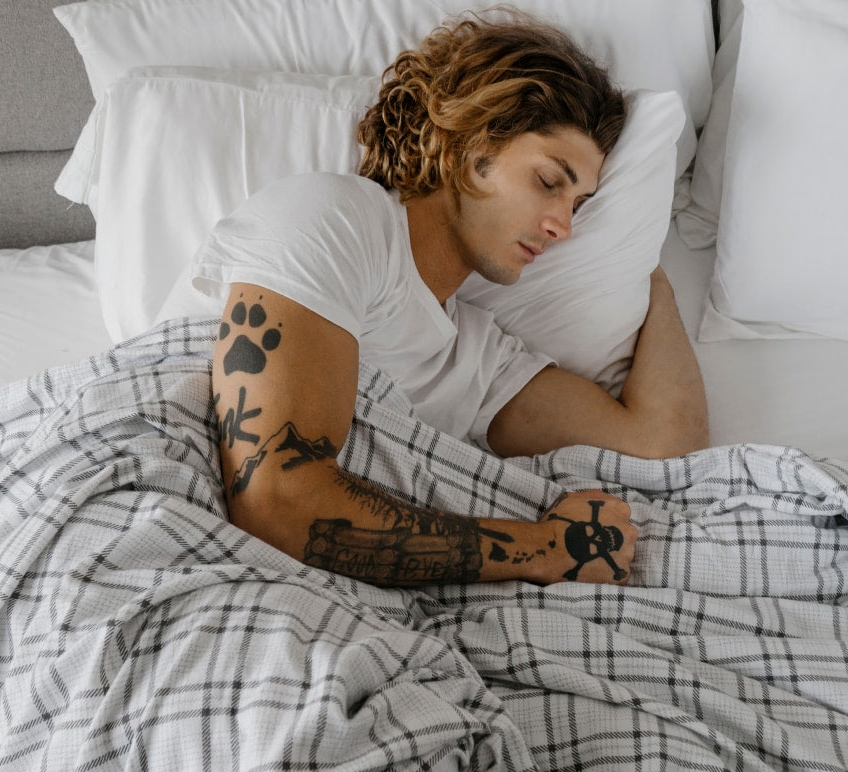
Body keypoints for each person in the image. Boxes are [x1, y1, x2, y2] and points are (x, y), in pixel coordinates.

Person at [194, 11, 709, 588]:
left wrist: (648, 271)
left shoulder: (475, 357)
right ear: (467, 143)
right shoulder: (335, 218)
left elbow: (664, 447)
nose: (564, 225)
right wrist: (543, 549)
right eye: (549, 181)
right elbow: (275, 502)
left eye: (581, 204)